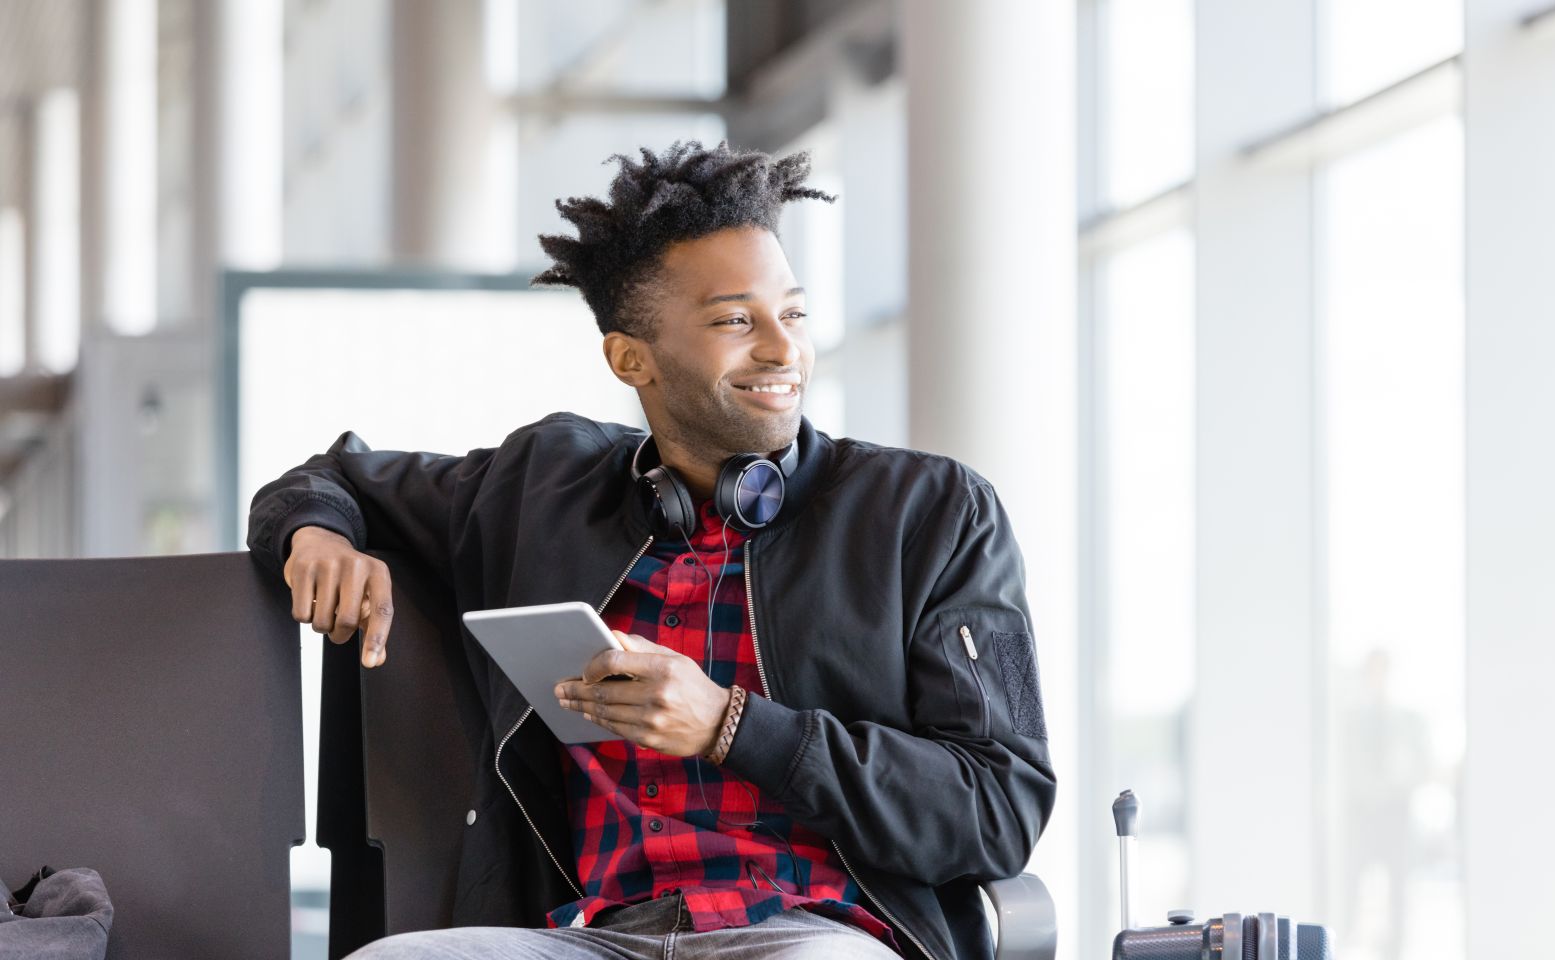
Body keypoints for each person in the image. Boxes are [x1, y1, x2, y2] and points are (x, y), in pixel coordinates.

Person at [246, 140, 1055, 960]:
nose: (783, 348)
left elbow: (1002, 808)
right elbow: (324, 478)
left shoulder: (934, 513)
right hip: (597, 937)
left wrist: (731, 727)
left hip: (816, 933)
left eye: (794, 314)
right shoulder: (538, 488)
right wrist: (317, 535)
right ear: (631, 358)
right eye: (735, 320)